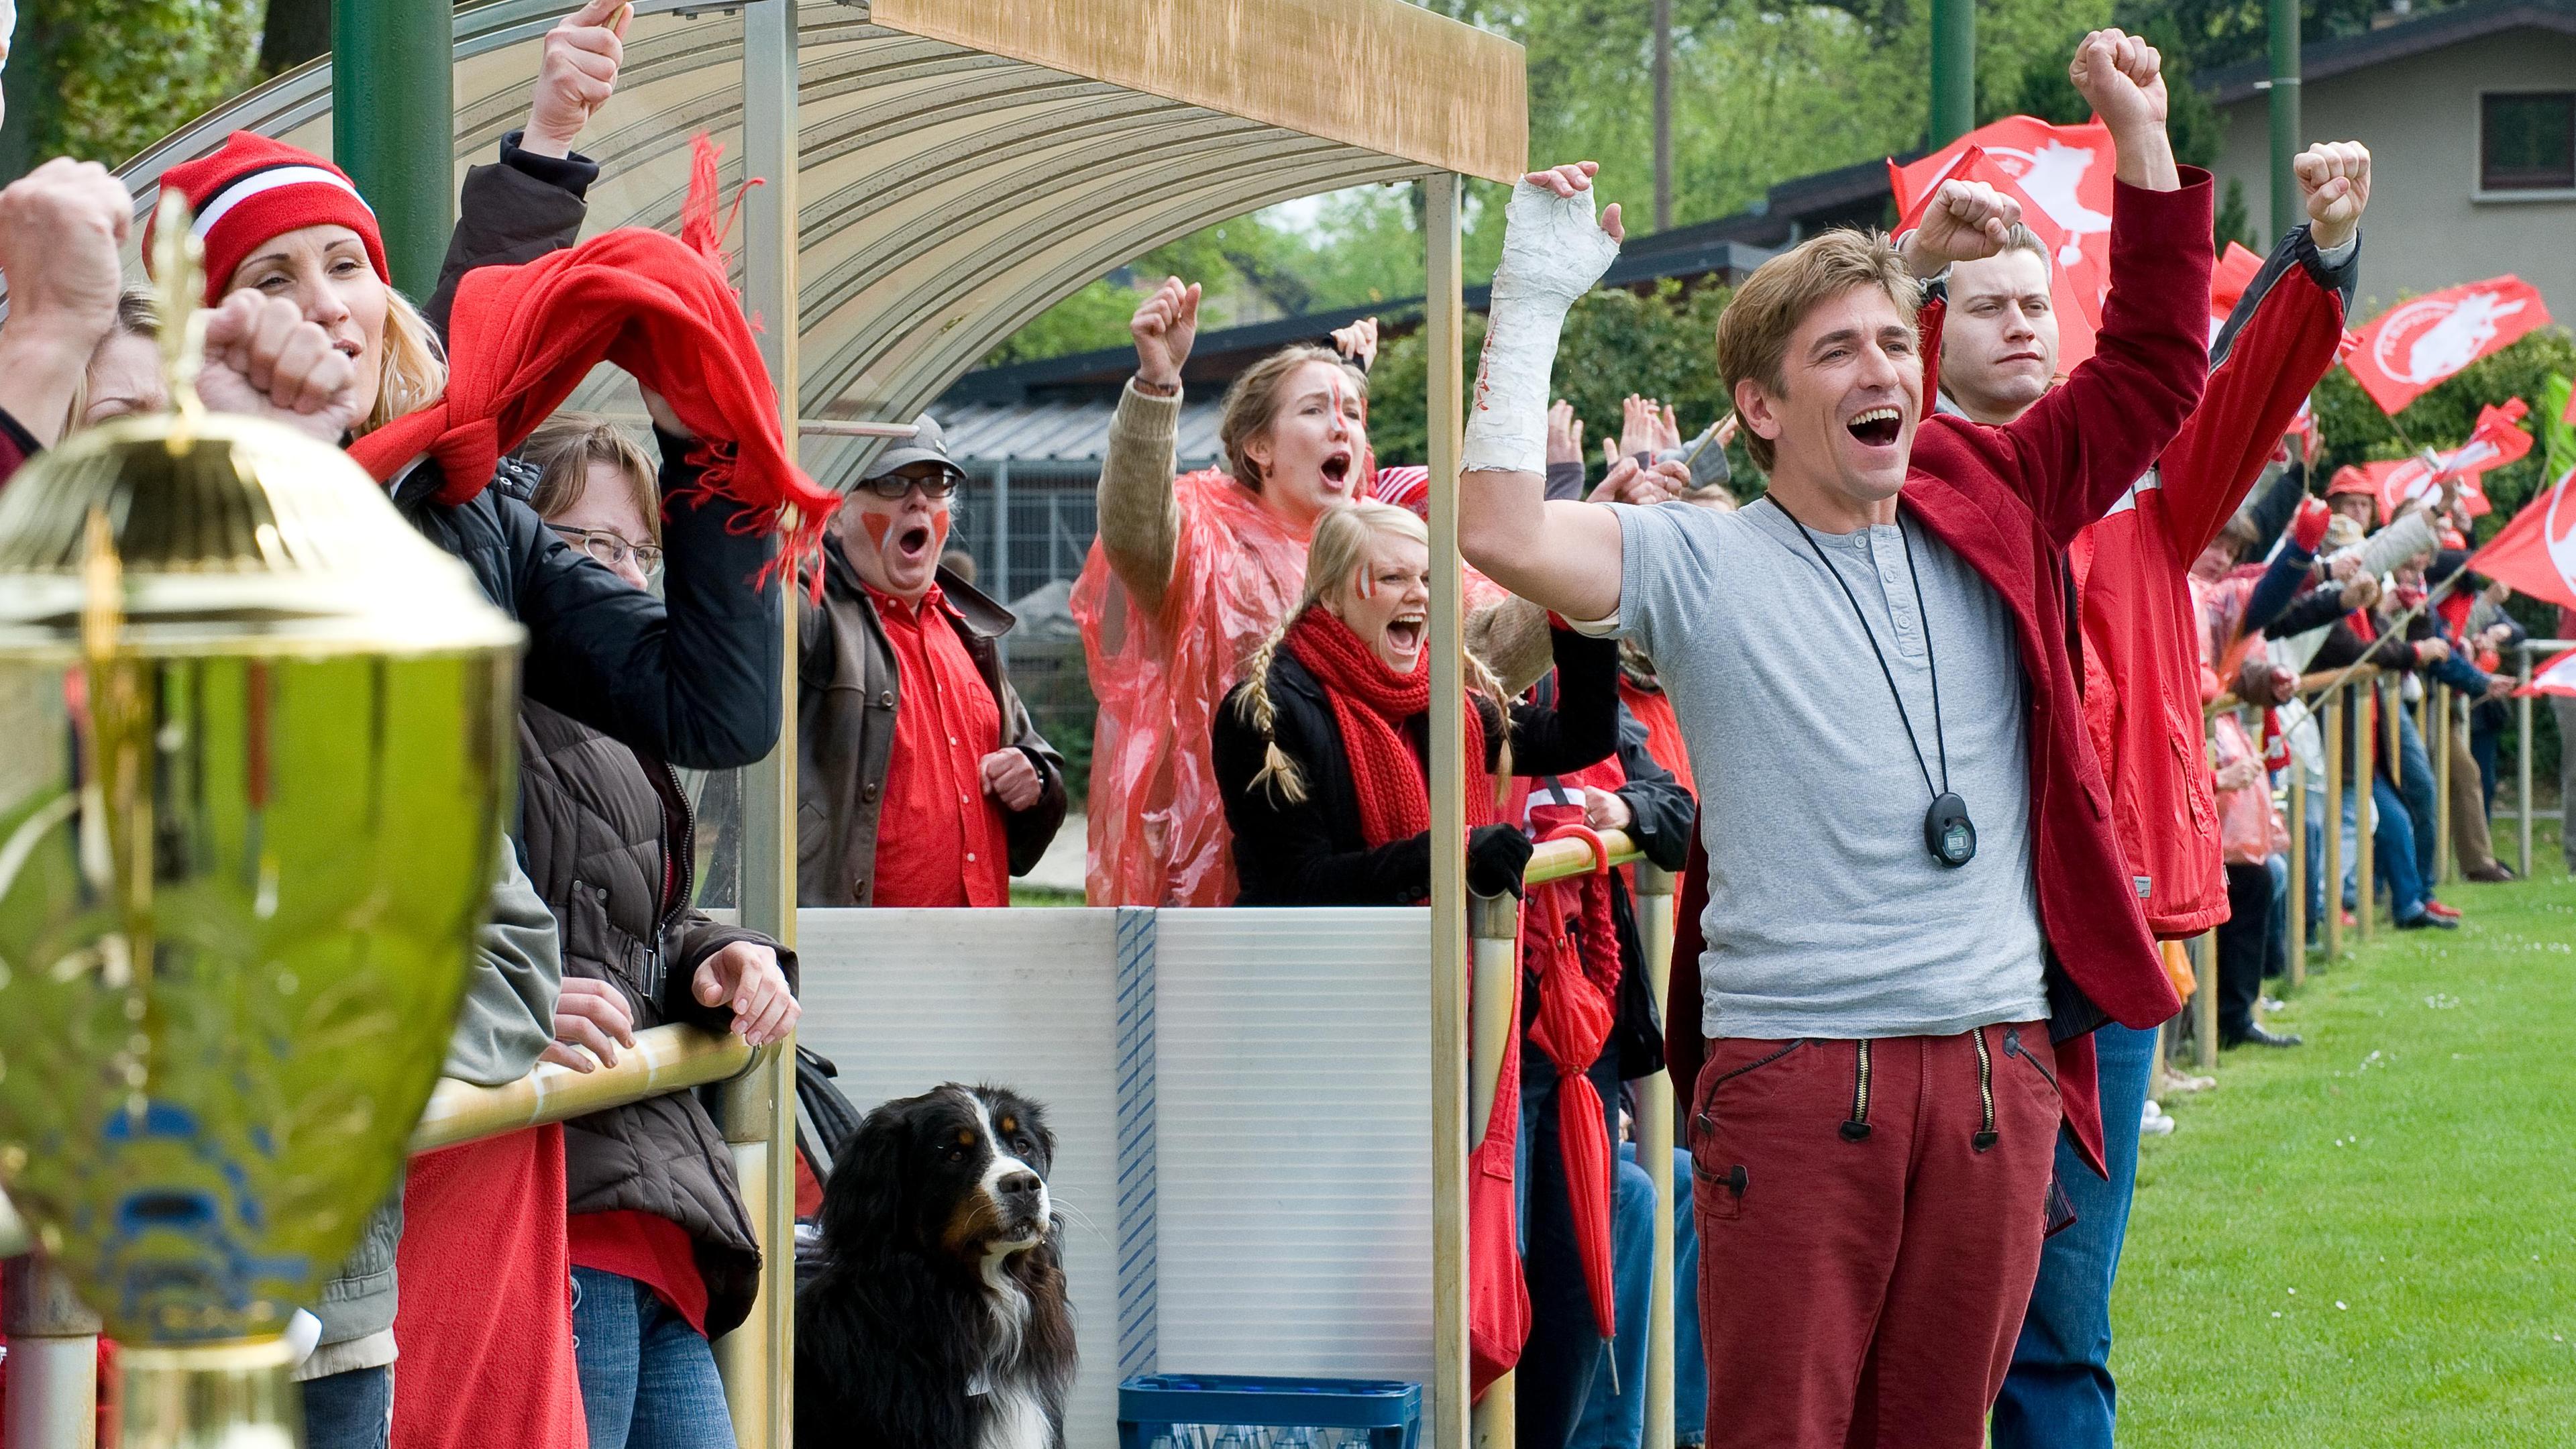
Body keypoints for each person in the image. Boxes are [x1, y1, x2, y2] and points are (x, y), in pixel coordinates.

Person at [1458, 30, 2206, 1446]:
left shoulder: (2000, 491)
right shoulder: (1695, 560)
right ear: (1758, 408)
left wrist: (2143, 140)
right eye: (1839, 350)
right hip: (1798, 1074)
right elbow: (1496, 528)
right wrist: (1536, 286)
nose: (1885, 369)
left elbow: (2163, 366)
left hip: (1997, 1070)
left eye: (1893, 341)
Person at [1931, 129, 2368, 1447]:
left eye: (2037, 306)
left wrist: (2327, 257)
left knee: (2064, 1327)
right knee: (1935, 1327)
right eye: (1991, 305)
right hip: (1934, 954)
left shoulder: (2146, 500)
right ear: (1921, 332)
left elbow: (2237, 386)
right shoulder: (1883, 497)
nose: (2027, 326)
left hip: (2102, 960)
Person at [512, 413, 802, 1449]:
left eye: (641, 551)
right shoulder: (494, 711)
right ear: (520, 548)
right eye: (590, 548)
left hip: (645, 1204)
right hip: (565, 1209)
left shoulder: (617, 724)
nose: (625, 576)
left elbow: (635, 923)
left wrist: (717, 957)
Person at [1074, 277, 1380, 906]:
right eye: (1315, 411)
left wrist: (1597, 562)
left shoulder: (1383, 559)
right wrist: (1157, 386)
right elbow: (1135, 529)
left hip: (1358, 871)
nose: (1342, 428)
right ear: (1258, 448)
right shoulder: (1206, 534)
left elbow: (1482, 659)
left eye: (1352, 414)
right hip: (1216, 880)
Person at [1210, 499, 1620, 904]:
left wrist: (1582, 610)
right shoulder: (1263, 712)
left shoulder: (1440, 700)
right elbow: (1300, 883)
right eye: (1393, 578)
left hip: (1431, 967)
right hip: (1323, 966)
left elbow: (1582, 737)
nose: (1420, 596)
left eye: (1428, 579)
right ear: (1332, 597)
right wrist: (1451, 854)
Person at [796, 414, 1068, 906]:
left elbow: (1034, 757)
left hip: (976, 955)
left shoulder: (968, 631)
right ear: (834, 511)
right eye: (891, 481)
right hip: (857, 959)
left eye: (936, 483)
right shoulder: (811, 617)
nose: (918, 498)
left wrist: (1035, 776)